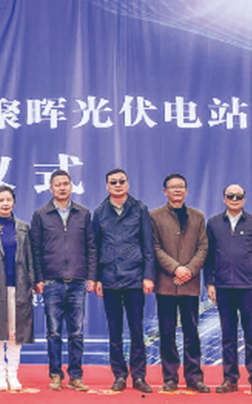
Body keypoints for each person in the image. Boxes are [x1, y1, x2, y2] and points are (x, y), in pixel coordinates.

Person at [30, 169, 96, 392]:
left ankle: (75, 376)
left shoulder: (83, 214)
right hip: (52, 282)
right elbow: (35, 250)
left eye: (65, 184)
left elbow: (91, 248)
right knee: (54, 333)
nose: (62, 188)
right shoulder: (41, 215)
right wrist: (38, 278)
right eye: (57, 184)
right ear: (51, 188)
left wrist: (91, 276)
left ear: (71, 186)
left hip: (77, 281)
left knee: (76, 333)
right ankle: (55, 375)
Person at [205, 184, 252, 396]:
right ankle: (230, 379)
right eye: (231, 196)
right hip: (223, 288)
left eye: (239, 196)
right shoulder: (213, 223)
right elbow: (208, 256)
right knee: (228, 336)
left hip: (249, 289)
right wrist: (210, 283)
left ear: (244, 199)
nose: (234, 199)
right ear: (224, 198)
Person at [92, 168, 154, 394]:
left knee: (137, 330)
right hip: (109, 279)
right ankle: (119, 375)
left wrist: (148, 276)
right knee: (114, 331)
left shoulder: (140, 209)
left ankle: (139, 376)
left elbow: (148, 245)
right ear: (107, 186)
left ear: (127, 184)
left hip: (135, 278)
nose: (118, 185)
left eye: (121, 181)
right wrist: (97, 278)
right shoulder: (100, 212)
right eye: (113, 182)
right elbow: (95, 248)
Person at [150, 173, 209, 393]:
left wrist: (189, 270)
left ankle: (194, 377)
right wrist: (176, 268)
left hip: (190, 285)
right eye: (172, 187)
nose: (177, 190)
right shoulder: (155, 217)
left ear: (186, 190)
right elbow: (154, 248)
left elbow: (203, 247)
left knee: (191, 332)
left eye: (181, 186)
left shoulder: (197, 217)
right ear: (165, 191)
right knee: (167, 333)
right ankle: (170, 377)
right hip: (166, 284)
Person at [0, 185, 35, 391]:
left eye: (8, 199)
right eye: (1, 200)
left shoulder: (23, 228)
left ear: (13, 202)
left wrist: (32, 281)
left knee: (14, 332)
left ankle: (13, 374)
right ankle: (0, 373)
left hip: (19, 285)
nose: (5, 203)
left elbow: (30, 258)